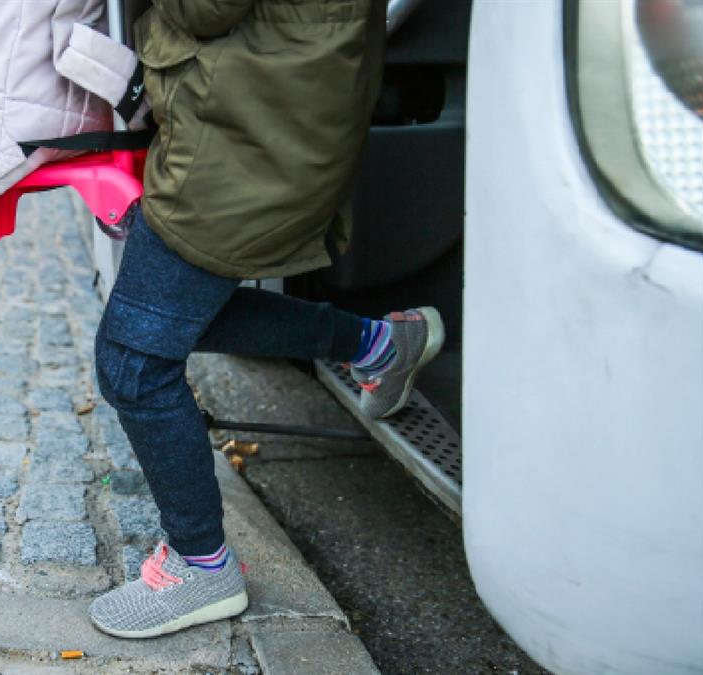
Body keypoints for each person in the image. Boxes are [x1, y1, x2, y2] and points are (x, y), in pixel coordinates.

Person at [88, 0, 444, 639]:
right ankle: (379, 346)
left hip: (243, 132)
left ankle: (202, 565)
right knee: (175, 321)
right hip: (265, 111)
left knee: (133, 361)